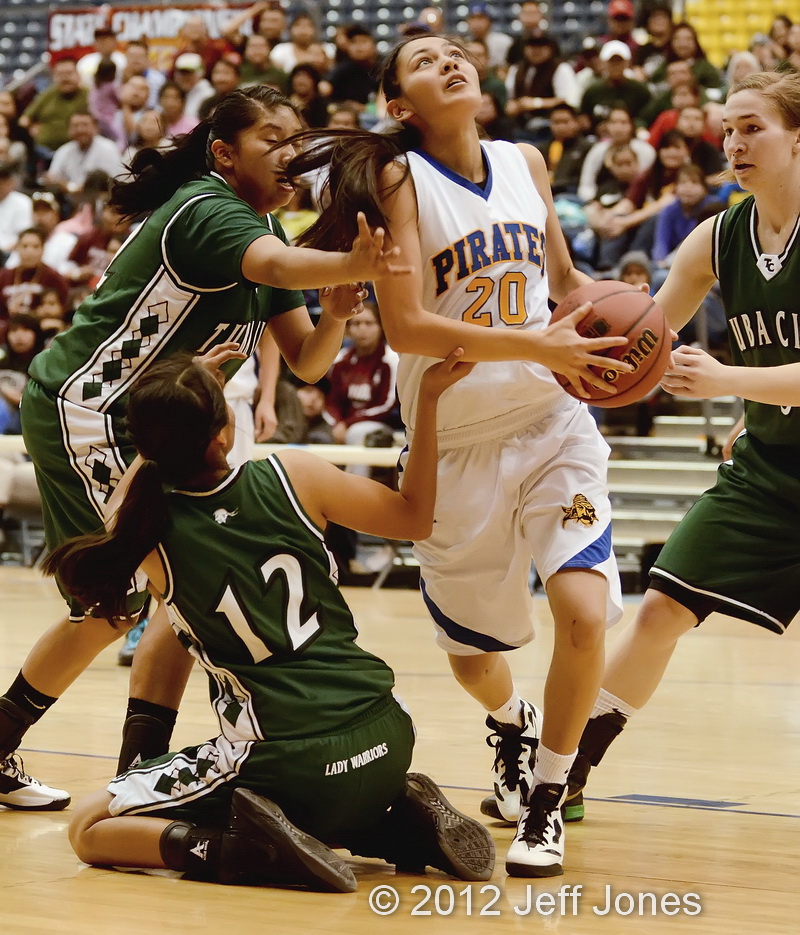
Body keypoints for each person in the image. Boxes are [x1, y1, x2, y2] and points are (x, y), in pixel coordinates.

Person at [0, 85, 407, 811]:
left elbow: (309, 362)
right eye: (273, 139)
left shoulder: (264, 221)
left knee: (166, 595)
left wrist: (340, 312)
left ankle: (138, 773)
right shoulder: (207, 209)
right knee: (114, 605)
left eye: (298, 138)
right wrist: (358, 264)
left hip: (155, 421)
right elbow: (282, 270)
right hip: (90, 411)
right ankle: (74, 759)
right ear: (225, 152)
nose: (292, 152)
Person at [285, 34, 632, 877]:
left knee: (583, 612)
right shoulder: (399, 179)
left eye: (456, 50)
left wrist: (633, 319)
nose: (449, 61)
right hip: (457, 437)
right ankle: (509, 721)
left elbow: (565, 281)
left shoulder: (526, 161)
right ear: (399, 106)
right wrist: (535, 343)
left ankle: (546, 798)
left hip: (554, 422)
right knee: (474, 653)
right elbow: (405, 327)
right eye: (422, 61)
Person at [46, 349, 496, 892]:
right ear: (223, 433)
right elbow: (415, 516)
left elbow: (122, 503)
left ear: (147, 448)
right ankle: (394, 825)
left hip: (288, 761)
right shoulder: (294, 473)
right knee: (289, 789)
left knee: (90, 827)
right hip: (387, 731)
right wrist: (428, 399)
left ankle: (245, 849)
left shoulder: (147, 539)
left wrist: (166, 426)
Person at [564, 69, 800, 819]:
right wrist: (578, 362)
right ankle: (570, 765)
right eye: (728, 129)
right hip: (767, 472)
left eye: (754, 127)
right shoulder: (718, 236)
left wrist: (733, 379)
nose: (734, 142)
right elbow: (647, 335)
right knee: (664, 604)